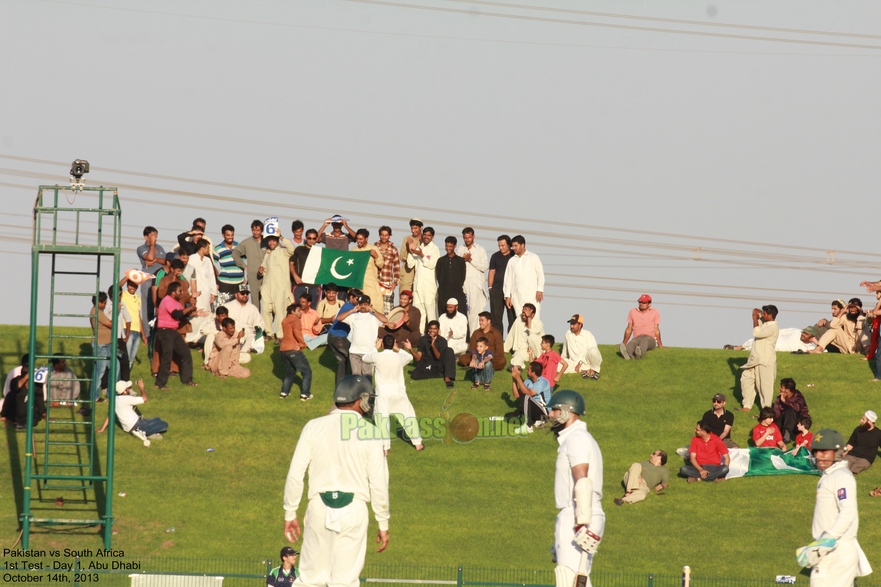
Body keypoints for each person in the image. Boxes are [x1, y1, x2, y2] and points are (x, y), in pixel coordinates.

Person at [283, 376, 390, 587]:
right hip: (354, 509)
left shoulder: (313, 426)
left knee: (310, 580)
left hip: (319, 508)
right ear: (360, 399)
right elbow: (379, 482)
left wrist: (290, 512)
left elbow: (296, 473)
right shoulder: (372, 433)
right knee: (344, 581)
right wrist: (382, 522)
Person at [796, 428, 872, 586]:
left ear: (837, 452)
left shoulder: (840, 475)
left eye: (824, 451)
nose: (818, 456)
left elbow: (848, 511)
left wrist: (825, 541)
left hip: (836, 550)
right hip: (830, 550)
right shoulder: (830, 475)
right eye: (816, 451)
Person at [546, 390, 604, 587]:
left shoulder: (576, 438)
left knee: (569, 578)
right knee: (579, 581)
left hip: (577, 513)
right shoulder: (579, 437)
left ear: (566, 411)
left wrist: (581, 523)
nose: (550, 415)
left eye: (554, 410)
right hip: (581, 512)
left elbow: (583, 482)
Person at [363, 335, 424, 453]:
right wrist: (398, 348)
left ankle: (385, 448)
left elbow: (365, 358)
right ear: (393, 344)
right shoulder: (400, 357)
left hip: (383, 393)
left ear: (383, 344)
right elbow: (410, 356)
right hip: (399, 391)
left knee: (382, 419)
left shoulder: (377, 356)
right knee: (408, 416)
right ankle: (417, 444)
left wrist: (375, 347)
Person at [155, 281, 203, 390]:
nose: (182, 293)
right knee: (167, 357)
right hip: (165, 331)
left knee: (186, 353)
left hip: (173, 331)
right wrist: (190, 307)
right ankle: (160, 383)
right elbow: (177, 314)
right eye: (179, 291)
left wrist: (197, 312)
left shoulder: (176, 301)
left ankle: (187, 380)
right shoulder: (167, 300)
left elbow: (184, 314)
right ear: (173, 292)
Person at [97, 379, 168, 447]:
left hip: (130, 427)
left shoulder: (115, 399)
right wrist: (141, 388)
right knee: (164, 424)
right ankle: (142, 432)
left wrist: (102, 429)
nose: (129, 389)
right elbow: (145, 399)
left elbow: (110, 415)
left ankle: (143, 432)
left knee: (157, 419)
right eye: (128, 388)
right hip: (137, 425)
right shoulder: (127, 399)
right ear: (124, 391)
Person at [738, 305, 779, 412]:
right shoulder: (765, 324)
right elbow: (760, 324)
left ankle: (766, 411)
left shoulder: (772, 327)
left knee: (764, 386)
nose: (763, 315)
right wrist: (758, 313)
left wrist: (755, 319)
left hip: (765, 361)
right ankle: (747, 406)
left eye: (765, 314)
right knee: (746, 380)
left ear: (770, 315)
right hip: (754, 360)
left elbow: (757, 332)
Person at [338, 295, 388, 380]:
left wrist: (373, 311)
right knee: (356, 378)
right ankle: (357, 393)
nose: (363, 306)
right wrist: (352, 310)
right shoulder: (354, 316)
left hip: (369, 352)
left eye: (365, 304)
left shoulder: (374, 317)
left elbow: (385, 320)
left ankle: (367, 393)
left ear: (370, 305)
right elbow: (339, 318)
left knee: (367, 377)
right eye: (361, 304)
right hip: (354, 352)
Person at [260, 233, 295, 344]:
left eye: (274, 240)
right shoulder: (267, 254)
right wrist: (261, 270)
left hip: (280, 287)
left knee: (280, 311)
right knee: (266, 310)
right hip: (267, 286)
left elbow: (292, 249)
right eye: (270, 241)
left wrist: (281, 236)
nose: (271, 243)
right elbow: (264, 268)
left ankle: (280, 336)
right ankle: (269, 334)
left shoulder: (283, 251)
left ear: (277, 241)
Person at [503, 235, 545, 320]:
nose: (513, 248)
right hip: (517, 296)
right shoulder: (512, 261)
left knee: (534, 319)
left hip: (532, 295)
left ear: (522, 245)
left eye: (516, 246)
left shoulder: (533, 257)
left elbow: (540, 275)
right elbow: (508, 279)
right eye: (512, 246)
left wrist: (540, 290)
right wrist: (507, 296)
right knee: (520, 320)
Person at [457, 228, 489, 336]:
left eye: (469, 237)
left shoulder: (480, 250)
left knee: (475, 312)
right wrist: (463, 259)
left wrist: (471, 260)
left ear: (473, 237)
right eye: (465, 237)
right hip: (463, 284)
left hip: (475, 284)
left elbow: (484, 267)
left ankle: (474, 337)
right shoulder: (460, 249)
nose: (467, 239)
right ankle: (466, 336)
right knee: (464, 311)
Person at [0, 354, 45, 431]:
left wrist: (44, 414)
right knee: (11, 396)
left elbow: (39, 401)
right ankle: (8, 418)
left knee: (32, 420)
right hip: (16, 409)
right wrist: (26, 377)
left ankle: (24, 425)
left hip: (30, 412)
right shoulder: (15, 378)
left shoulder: (37, 383)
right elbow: (14, 389)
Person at [136, 226, 169, 328]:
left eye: (156, 235)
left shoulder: (160, 248)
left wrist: (156, 260)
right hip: (148, 281)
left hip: (160, 279)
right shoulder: (141, 248)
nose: (155, 238)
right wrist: (152, 244)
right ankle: (147, 333)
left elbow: (166, 261)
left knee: (161, 305)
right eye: (152, 235)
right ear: (146, 237)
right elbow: (149, 257)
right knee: (148, 308)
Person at [406, 320, 456, 387]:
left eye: (435, 329)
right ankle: (438, 374)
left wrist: (433, 346)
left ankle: (447, 378)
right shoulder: (423, 339)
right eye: (430, 328)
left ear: (438, 330)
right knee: (415, 375)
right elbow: (418, 358)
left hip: (439, 363)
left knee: (449, 350)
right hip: (427, 363)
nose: (432, 331)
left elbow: (438, 357)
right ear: (428, 329)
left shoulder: (442, 341)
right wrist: (411, 349)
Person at [408, 226, 440, 330]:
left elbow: (431, 264)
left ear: (433, 237)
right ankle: (419, 336)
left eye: (429, 235)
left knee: (431, 313)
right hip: (418, 286)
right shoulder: (418, 247)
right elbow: (410, 264)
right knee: (418, 312)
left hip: (429, 286)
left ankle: (434, 336)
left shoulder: (435, 249)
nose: (426, 237)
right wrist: (411, 249)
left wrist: (421, 254)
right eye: (425, 235)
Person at [327, 289, 362, 384]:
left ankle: (341, 383)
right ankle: (353, 381)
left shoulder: (347, 305)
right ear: (351, 297)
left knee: (343, 360)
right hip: (338, 338)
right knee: (353, 357)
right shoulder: (350, 307)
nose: (359, 301)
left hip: (333, 336)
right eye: (357, 298)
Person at [89, 292, 119, 403]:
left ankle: (111, 393)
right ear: (99, 303)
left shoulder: (99, 311)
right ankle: (94, 396)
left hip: (107, 344)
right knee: (99, 371)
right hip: (100, 345)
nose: (105, 304)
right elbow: (111, 324)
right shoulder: (97, 312)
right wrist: (116, 311)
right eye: (104, 302)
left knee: (115, 366)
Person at [280, 303, 313, 400]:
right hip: (293, 349)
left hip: (283, 350)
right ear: (293, 312)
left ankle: (284, 393)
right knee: (307, 372)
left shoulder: (284, 320)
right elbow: (296, 332)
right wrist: (303, 344)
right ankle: (305, 394)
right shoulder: (296, 320)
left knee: (290, 372)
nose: (301, 312)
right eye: (299, 310)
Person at [232, 220, 266, 309]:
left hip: (267, 275)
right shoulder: (247, 242)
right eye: (253, 230)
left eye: (258, 230)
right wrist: (244, 266)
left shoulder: (268, 241)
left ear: (262, 230)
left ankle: (267, 322)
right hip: (253, 275)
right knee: (255, 301)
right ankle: (256, 322)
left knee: (268, 301)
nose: (255, 232)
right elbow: (235, 253)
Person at [509, 361, 550, 435]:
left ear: (533, 372)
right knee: (509, 416)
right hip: (533, 409)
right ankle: (534, 421)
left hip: (544, 412)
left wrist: (518, 378)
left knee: (526, 396)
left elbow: (529, 393)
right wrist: (514, 379)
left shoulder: (543, 382)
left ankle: (528, 426)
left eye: (528, 369)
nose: (526, 371)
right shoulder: (528, 381)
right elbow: (516, 395)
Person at [487, 235, 516, 334]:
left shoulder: (514, 256)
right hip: (497, 290)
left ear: (509, 245)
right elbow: (491, 271)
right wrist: (490, 287)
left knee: (512, 318)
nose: (501, 248)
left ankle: (511, 342)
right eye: (499, 245)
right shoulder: (495, 256)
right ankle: (497, 341)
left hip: (511, 291)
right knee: (496, 318)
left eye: (503, 245)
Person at [352, 228, 385, 313]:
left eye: (361, 239)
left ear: (366, 239)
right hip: (358, 283)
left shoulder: (373, 248)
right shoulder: (354, 250)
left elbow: (381, 264)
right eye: (357, 239)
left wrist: (376, 256)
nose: (358, 241)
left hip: (371, 283)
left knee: (374, 305)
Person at [619, 294, 662, 360]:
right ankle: (627, 354)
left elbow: (656, 330)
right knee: (632, 343)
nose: (641, 304)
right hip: (637, 337)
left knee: (645, 340)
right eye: (640, 302)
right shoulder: (632, 311)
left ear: (649, 304)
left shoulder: (655, 312)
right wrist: (624, 343)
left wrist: (660, 345)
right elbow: (629, 329)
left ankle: (639, 352)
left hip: (650, 339)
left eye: (644, 303)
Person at [226, 284, 265, 355]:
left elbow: (260, 323)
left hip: (249, 335)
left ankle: (244, 350)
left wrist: (257, 329)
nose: (245, 295)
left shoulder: (253, 308)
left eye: (247, 293)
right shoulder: (228, 307)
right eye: (242, 293)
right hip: (233, 335)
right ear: (236, 294)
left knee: (253, 336)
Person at [560, 315, 602, 380]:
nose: (571, 326)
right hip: (573, 362)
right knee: (555, 364)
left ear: (580, 325)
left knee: (593, 351)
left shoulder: (587, 334)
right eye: (571, 324)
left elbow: (592, 351)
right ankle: (586, 370)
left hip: (586, 361)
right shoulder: (568, 334)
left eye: (574, 324)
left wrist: (580, 362)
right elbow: (564, 353)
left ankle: (593, 370)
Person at [504, 303, 544, 369]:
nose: (523, 314)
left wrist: (528, 318)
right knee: (517, 357)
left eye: (526, 313)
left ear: (533, 315)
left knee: (532, 337)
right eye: (523, 312)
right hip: (523, 350)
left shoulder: (538, 323)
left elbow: (532, 332)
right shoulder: (518, 320)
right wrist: (505, 349)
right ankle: (516, 368)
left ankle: (539, 361)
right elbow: (511, 334)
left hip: (535, 352)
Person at [435, 236, 467, 318]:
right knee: (442, 315)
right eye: (446, 246)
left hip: (457, 292)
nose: (448, 248)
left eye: (450, 246)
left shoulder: (460, 261)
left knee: (461, 315)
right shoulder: (441, 261)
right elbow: (439, 276)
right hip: (443, 292)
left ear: (455, 246)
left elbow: (462, 276)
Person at [290, 228, 321, 309]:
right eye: (309, 238)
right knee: (298, 309)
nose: (311, 240)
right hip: (300, 284)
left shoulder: (320, 251)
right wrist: (295, 276)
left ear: (316, 239)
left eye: (314, 238)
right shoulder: (299, 249)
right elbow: (291, 264)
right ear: (306, 238)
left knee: (313, 310)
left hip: (314, 286)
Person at [773, 378, 810, 443]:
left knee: (789, 410)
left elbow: (797, 408)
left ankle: (786, 437)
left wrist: (785, 402)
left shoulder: (798, 396)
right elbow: (776, 414)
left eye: (782, 387)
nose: (780, 389)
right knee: (775, 422)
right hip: (786, 422)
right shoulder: (779, 398)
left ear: (787, 390)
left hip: (800, 423)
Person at [120, 278, 146, 369]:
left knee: (131, 358)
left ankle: (126, 380)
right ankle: (120, 380)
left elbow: (138, 315)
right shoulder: (123, 295)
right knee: (125, 356)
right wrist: (128, 276)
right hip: (127, 329)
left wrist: (143, 334)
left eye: (135, 285)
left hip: (137, 331)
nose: (132, 287)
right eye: (131, 285)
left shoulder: (138, 298)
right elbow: (117, 287)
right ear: (127, 285)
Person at [724, 327, 817, 353]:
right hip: (773, 341)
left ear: (811, 337)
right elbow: (781, 331)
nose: (803, 334)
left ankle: (740, 349)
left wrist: (815, 341)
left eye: (806, 334)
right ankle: (737, 348)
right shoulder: (797, 331)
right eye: (804, 332)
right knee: (755, 342)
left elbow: (824, 351)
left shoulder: (810, 347)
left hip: (776, 350)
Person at [214, 224, 245, 298]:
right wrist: (216, 276)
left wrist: (244, 278)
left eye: (232, 235)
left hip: (239, 281)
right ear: (223, 235)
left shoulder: (240, 246)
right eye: (228, 235)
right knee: (224, 306)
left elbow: (244, 262)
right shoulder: (218, 249)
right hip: (224, 282)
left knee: (240, 306)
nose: (230, 237)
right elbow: (211, 264)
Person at [375, 226, 400, 315]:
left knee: (388, 308)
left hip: (388, 283)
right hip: (376, 281)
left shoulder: (393, 249)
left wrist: (395, 282)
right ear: (379, 235)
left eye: (386, 235)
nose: (384, 237)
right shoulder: (374, 247)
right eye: (382, 235)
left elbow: (396, 266)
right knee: (375, 307)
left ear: (390, 236)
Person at [311, 282, 344, 350]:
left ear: (337, 293)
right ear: (325, 293)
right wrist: (330, 319)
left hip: (339, 326)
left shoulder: (341, 303)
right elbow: (318, 320)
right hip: (326, 327)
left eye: (333, 293)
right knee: (330, 332)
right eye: (329, 292)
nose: (331, 295)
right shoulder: (322, 304)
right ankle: (313, 342)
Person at [398, 218, 423, 297]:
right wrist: (410, 250)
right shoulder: (407, 239)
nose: (413, 231)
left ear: (421, 228)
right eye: (412, 228)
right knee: (404, 298)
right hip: (407, 273)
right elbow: (402, 256)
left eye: (415, 228)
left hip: (421, 274)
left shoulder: (426, 240)